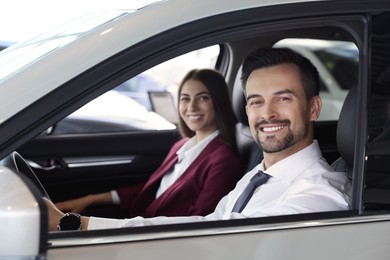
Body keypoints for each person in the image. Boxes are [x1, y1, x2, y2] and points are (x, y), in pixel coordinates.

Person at [46, 47, 352, 231]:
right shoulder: (256, 178)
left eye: (283, 98)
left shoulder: (320, 196)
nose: (267, 113)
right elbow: (213, 227)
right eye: (256, 101)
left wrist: (75, 223)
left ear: (313, 108)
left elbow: (210, 231)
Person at [55, 68, 245, 219]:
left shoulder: (224, 160)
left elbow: (199, 219)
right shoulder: (182, 146)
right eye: (185, 99)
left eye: (203, 98)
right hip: (142, 223)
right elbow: (149, 191)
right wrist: (89, 199)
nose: (191, 107)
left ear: (218, 102)